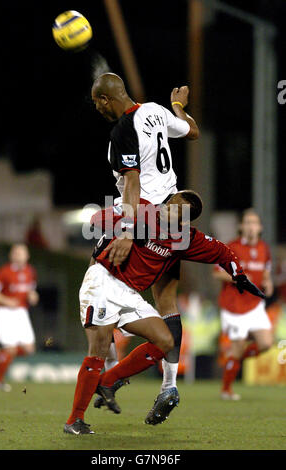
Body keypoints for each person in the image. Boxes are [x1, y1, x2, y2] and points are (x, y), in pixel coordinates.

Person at [64, 191, 264, 435]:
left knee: (165, 340)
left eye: (179, 210)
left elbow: (222, 251)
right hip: (103, 280)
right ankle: (75, 420)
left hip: (130, 293)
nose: (170, 208)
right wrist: (126, 226)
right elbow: (96, 220)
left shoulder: (184, 238)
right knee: (100, 347)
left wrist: (238, 274)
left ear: (185, 220)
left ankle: (107, 382)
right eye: (172, 203)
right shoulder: (140, 209)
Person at [91, 72, 199, 423]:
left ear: (107, 100)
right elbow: (191, 131)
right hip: (175, 218)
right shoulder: (155, 110)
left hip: (145, 222)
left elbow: (132, 183)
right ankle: (169, 385)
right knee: (167, 303)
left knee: (101, 291)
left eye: (97, 102)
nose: (96, 108)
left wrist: (125, 232)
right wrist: (179, 107)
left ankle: (107, 375)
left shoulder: (122, 129)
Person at [213, 209, 274, 400]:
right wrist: (236, 277)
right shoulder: (232, 247)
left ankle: (235, 359)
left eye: (254, 222)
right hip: (234, 306)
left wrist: (268, 282)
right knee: (237, 347)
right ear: (241, 226)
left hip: (254, 305)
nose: (250, 226)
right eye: (247, 222)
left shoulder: (264, 248)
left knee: (266, 344)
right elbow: (216, 272)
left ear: (260, 227)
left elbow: (265, 271)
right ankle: (226, 390)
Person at [0, 244, 39, 391]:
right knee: (10, 349)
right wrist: (6, 301)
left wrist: (33, 296)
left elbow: (31, 290)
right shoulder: (3, 272)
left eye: (22, 253)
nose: (19, 255)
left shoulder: (30, 271)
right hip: (4, 313)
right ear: (11, 256)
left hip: (21, 313)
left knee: (29, 349)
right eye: (16, 253)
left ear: (27, 256)